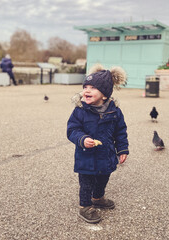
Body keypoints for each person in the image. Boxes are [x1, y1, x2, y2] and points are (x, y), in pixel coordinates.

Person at [67, 64, 129, 224]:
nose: (87, 90)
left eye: (93, 88)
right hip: (86, 156)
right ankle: (85, 206)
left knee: (103, 178)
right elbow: (72, 129)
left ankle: (98, 197)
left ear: (105, 94)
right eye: (85, 87)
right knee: (86, 182)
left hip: (106, 154)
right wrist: (82, 139)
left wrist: (122, 149)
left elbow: (120, 131)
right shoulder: (80, 110)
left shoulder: (115, 111)